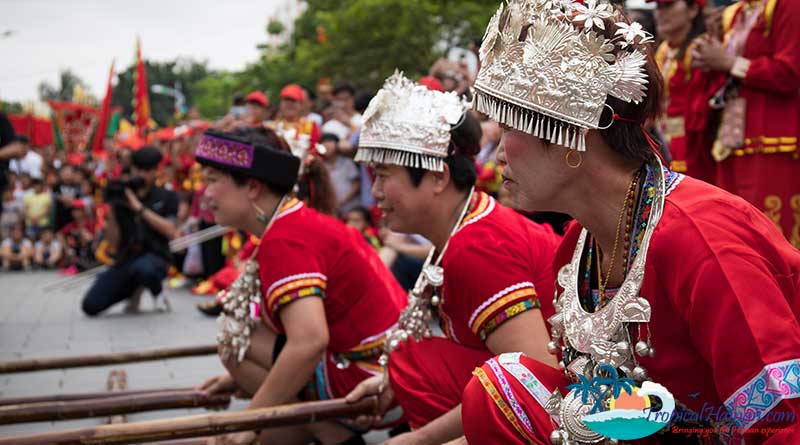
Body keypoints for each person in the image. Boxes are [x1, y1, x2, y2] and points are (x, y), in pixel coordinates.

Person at [461, 2, 800, 444]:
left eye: (511, 126)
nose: (497, 154)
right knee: (500, 394)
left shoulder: (700, 242)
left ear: (574, 134)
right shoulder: (579, 247)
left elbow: (783, 416)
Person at [344, 73, 561, 444]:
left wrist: (425, 440)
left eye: (383, 176)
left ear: (438, 177)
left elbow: (536, 375)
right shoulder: (464, 230)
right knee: (412, 366)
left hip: (571, 402)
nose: (375, 193)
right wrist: (392, 383)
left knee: (415, 365)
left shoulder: (477, 246)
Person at [193, 128, 406, 445]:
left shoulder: (286, 237)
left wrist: (250, 420)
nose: (204, 194)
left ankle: (334, 436)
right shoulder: (295, 223)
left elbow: (309, 341)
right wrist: (242, 381)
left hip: (376, 382)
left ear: (252, 186)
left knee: (236, 342)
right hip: (393, 371)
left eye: (212, 180)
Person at [693, 0, 800, 248]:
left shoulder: (788, 5)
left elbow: (790, 73)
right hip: (732, 136)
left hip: (772, 138)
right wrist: (709, 55)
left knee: (773, 233)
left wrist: (729, 63)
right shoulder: (736, 12)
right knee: (734, 227)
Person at [81, 146, 178, 316]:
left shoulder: (167, 196)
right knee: (90, 305)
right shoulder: (121, 197)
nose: (142, 175)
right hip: (126, 258)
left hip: (156, 256)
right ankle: (133, 289)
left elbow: (171, 231)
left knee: (144, 269)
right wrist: (112, 209)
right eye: (139, 170)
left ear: (156, 171)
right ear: (132, 169)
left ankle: (158, 291)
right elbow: (113, 243)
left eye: (148, 170)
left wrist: (139, 208)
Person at [651, 0, 718, 184]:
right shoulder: (663, 49)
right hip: (661, 143)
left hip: (693, 148)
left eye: (668, 6)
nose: (660, 13)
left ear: (693, 9)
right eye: (658, 7)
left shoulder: (701, 50)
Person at [320, 133, 361, 216]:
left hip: (350, 207)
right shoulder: (321, 165)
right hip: (331, 208)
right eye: (324, 142)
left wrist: (342, 200)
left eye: (330, 142)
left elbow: (356, 184)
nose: (327, 145)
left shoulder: (347, 162)